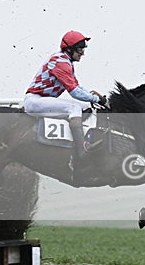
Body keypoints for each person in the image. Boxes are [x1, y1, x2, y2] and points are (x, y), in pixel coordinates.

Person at [23, 30, 108, 182]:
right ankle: (81, 150)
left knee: (81, 106)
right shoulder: (61, 62)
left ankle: (73, 143)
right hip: (35, 100)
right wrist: (96, 99)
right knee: (74, 107)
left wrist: (93, 96)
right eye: (80, 49)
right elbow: (74, 92)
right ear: (70, 49)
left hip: (41, 100)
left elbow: (78, 87)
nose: (82, 53)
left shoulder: (65, 61)